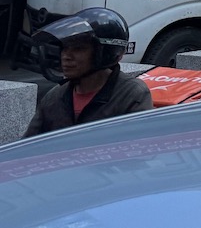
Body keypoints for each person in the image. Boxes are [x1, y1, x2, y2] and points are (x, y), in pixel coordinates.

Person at [23, 8, 153, 137]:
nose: (66, 56)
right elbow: (27, 147)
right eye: (65, 48)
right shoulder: (55, 97)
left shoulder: (132, 94)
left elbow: (139, 149)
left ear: (105, 53)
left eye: (78, 49)